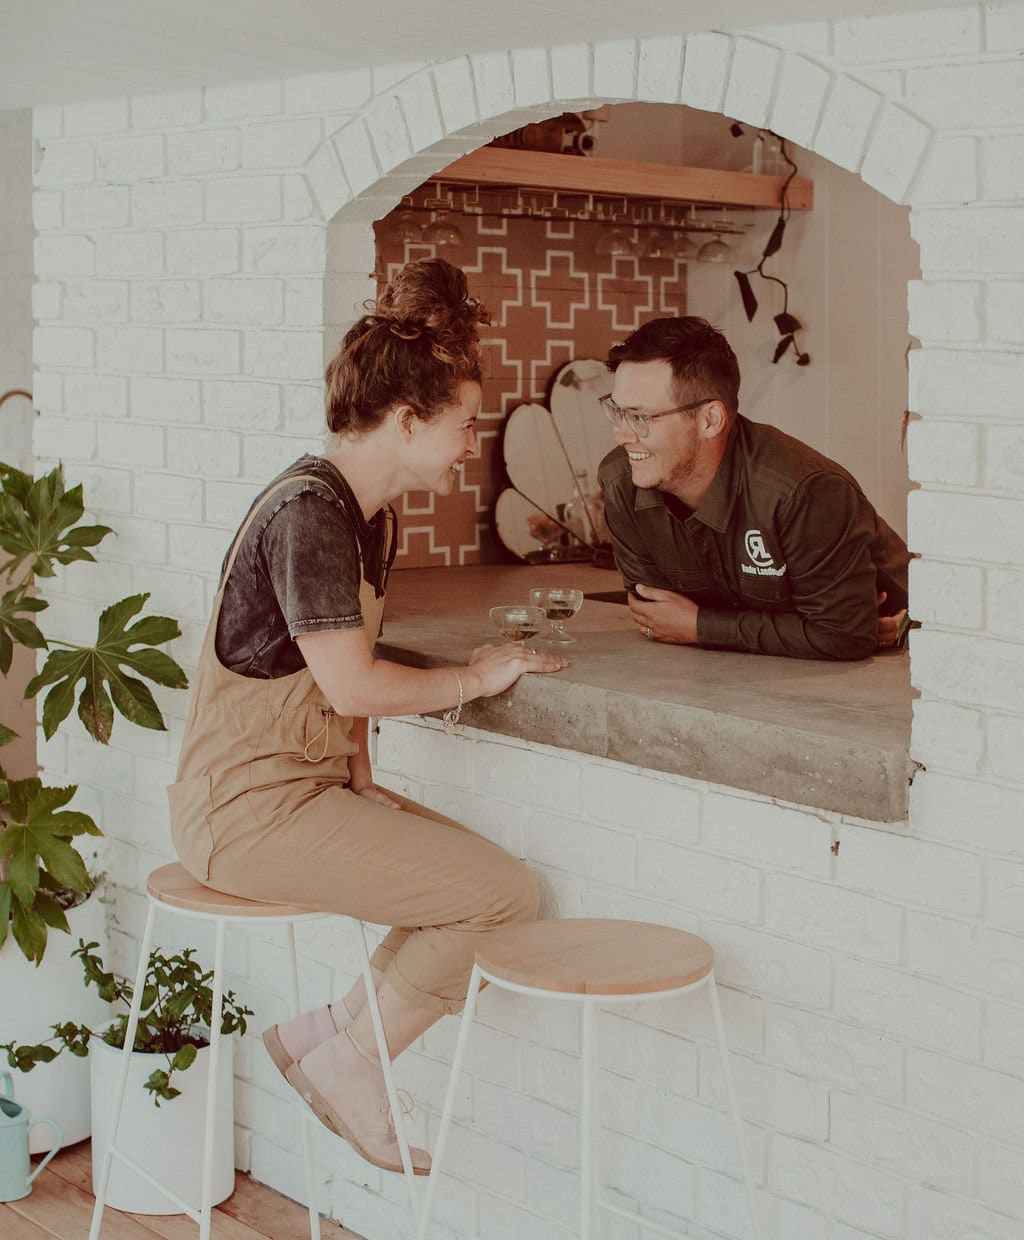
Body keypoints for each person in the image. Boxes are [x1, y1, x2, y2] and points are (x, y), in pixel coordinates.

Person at [167, 258, 567, 1177]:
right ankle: (351, 1058)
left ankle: (329, 1034)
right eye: (464, 424)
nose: (472, 442)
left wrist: (359, 776)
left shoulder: (367, 516)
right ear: (407, 420)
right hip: (242, 812)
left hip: (298, 794)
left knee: (493, 886)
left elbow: (328, 679)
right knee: (501, 895)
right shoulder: (309, 513)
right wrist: (478, 673)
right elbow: (350, 684)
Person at [597, 316, 909, 660]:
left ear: (709, 420)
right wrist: (795, 628)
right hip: (753, 676)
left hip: (905, 658)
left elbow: (843, 635)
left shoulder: (802, 491)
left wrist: (701, 625)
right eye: (617, 411)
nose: (621, 434)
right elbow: (656, 615)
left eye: (640, 417)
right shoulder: (621, 480)